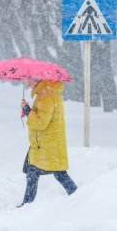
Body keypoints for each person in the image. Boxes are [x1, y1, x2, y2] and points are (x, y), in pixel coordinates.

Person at [19, 78, 77, 207]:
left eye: (29, 80)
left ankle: (79, 198)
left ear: (36, 80)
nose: (27, 83)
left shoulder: (46, 95)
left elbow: (41, 123)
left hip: (47, 144)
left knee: (57, 174)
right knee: (34, 172)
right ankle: (26, 205)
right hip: (48, 143)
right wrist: (29, 110)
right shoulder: (47, 93)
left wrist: (27, 109)